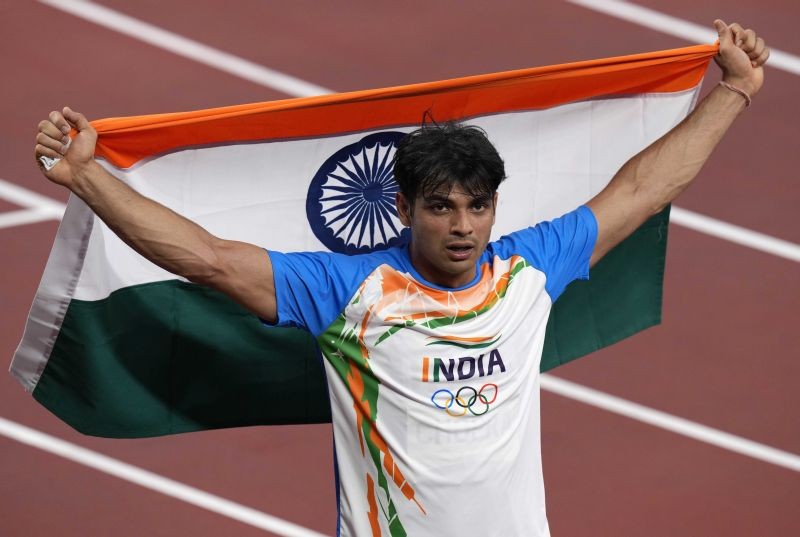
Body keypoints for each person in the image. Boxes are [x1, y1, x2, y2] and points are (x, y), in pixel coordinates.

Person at [33, 20, 767, 537]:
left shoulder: (527, 267)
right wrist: (86, 178)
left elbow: (640, 188)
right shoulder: (348, 290)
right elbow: (206, 257)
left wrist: (732, 92)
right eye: (442, 208)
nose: (462, 227)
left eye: (478, 207)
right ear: (405, 206)